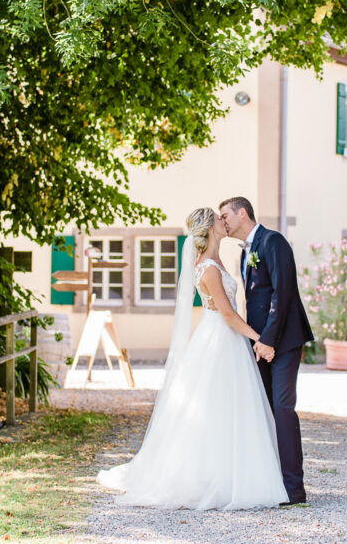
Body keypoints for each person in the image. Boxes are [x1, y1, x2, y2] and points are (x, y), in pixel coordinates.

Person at [96, 207, 288, 510]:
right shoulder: (208, 267)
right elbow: (226, 313)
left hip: (227, 339)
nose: (224, 222)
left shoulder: (218, 260)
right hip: (219, 338)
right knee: (216, 406)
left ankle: (231, 472)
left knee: (228, 408)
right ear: (211, 227)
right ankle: (212, 478)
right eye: (219, 218)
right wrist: (259, 338)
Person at [218, 196, 314, 505]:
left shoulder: (274, 242)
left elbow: (282, 295)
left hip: (284, 341)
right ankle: (270, 482)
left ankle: (293, 489)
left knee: (283, 410)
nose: (222, 222)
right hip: (260, 342)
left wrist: (269, 340)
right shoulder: (246, 251)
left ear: (242, 213)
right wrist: (259, 342)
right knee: (263, 411)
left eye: (225, 215)